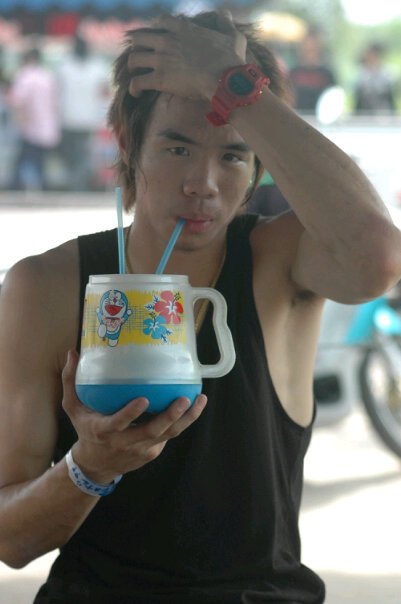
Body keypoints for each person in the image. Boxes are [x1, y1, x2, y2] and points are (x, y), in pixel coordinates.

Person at [1, 11, 401, 604]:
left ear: (260, 165)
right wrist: (90, 466)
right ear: (129, 145)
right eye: (177, 147)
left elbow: (380, 258)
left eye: (234, 156)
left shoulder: (280, 260)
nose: (203, 184)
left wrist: (236, 87)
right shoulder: (47, 286)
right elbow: (11, 538)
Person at [57, 34, 110, 191]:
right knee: (83, 154)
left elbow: (57, 93)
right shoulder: (98, 67)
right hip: (88, 120)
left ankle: (76, 184)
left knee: (73, 155)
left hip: (69, 118)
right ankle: (78, 184)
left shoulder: (64, 66)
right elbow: (104, 93)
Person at [7, 48, 60, 190]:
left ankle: (16, 184)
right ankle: (42, 185)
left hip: (30, 125)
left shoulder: (24, 76)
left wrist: (20, 120)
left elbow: (18, 101)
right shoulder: (47, 76)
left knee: (25, 156)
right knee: (38, 158)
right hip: (47, 125)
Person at [289, 29, 336, 113]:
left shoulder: (326, 74)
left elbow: (333, 99)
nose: (310, 53)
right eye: (307, 49)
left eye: (313, 49)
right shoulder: (294, 73)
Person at [353, 42, 396, 115]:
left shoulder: (386, 74)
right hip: (365, 113)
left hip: (384, 112)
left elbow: (389, 97)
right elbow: (358, 99)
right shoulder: (361, 74)